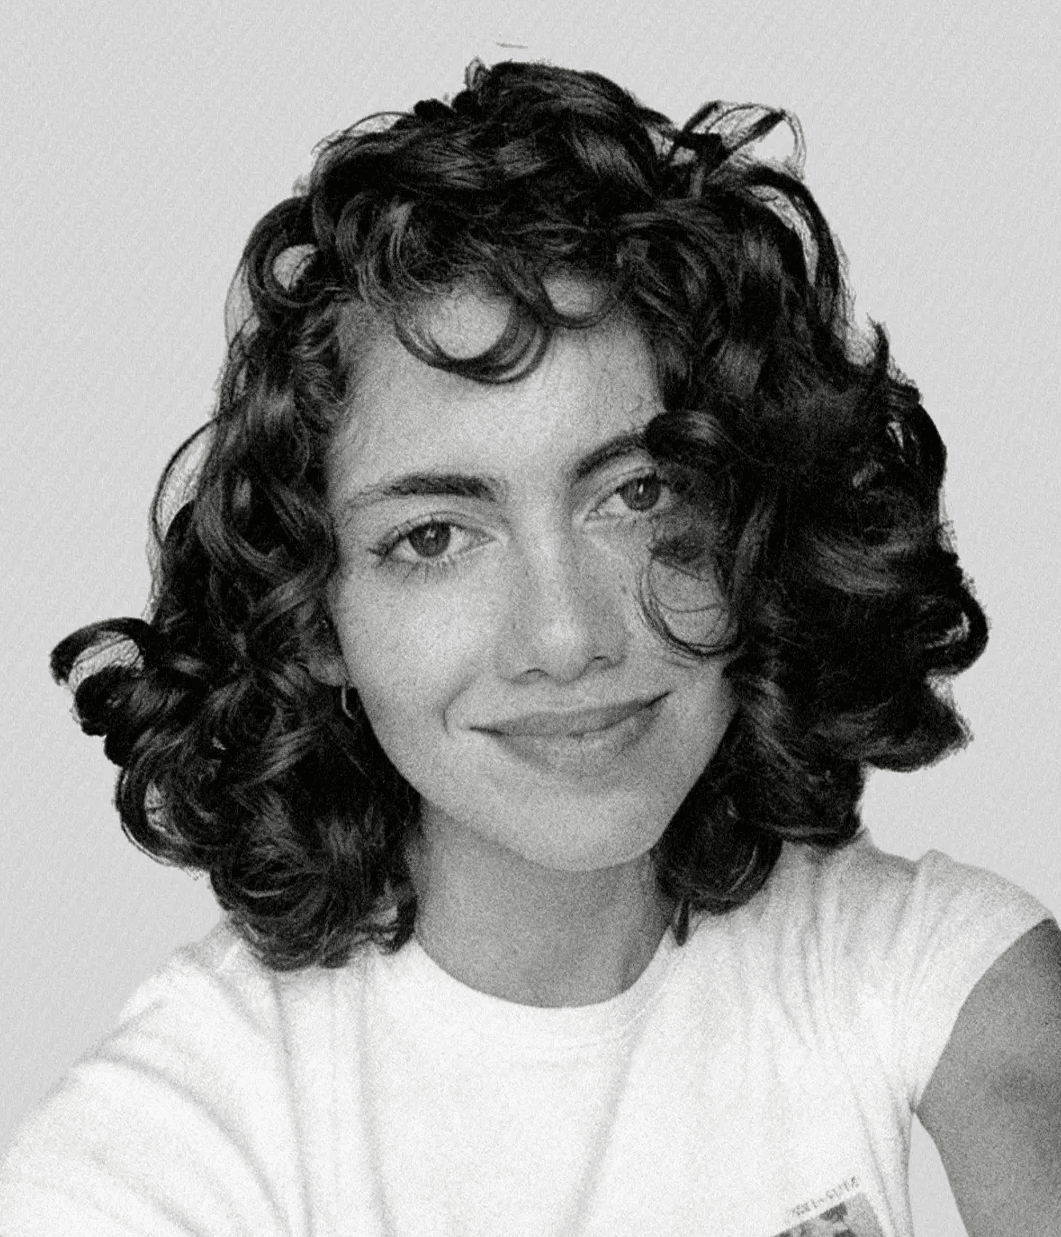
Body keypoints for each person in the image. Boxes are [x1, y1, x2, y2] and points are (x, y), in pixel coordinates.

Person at [1, 58, 1058, 1237]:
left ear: (754, 519)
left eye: (638, 491)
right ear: (318, 614)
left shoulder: (933, 971)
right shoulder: (167, 1152)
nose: (564, 637)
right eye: (435, 535)